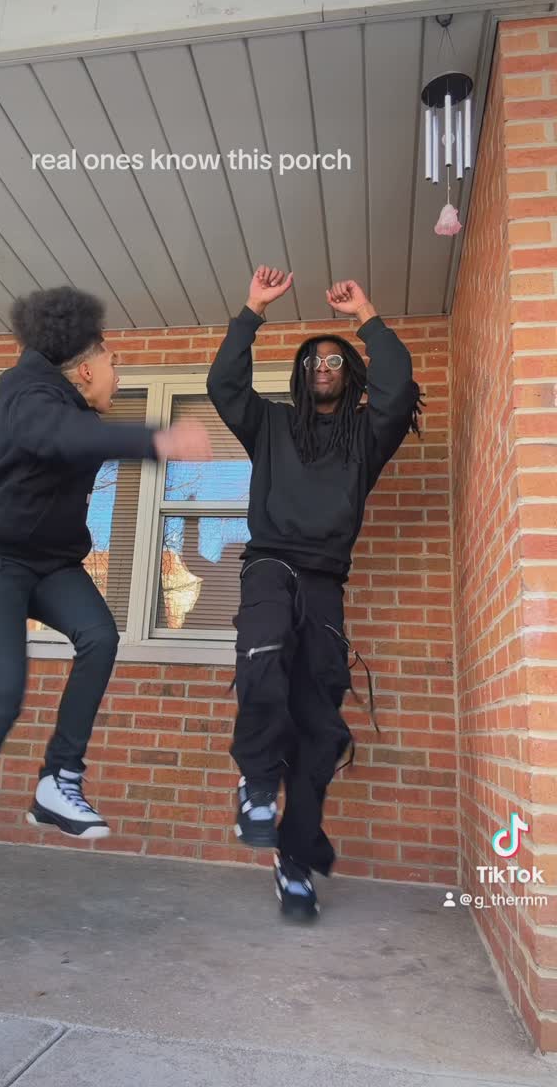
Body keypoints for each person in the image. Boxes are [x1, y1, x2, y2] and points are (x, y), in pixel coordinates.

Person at [0, 286, 211, 965]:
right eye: (114, 363)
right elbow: (58, 435)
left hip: (52, 567)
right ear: (83, 367)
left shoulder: (74, 408)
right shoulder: (26, 392)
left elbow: (76, 435)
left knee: (100, 636)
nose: (119, 375)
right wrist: (155, 438)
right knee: (3, 696)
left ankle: (59, 781)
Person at [207, 266, 422, 921]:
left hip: (325, 582)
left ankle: (295, 861)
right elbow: (224, 386)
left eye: (333, 361)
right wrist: (252, 310)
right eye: (312, 361)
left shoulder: (365, 435)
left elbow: (398, 386)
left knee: (320, 732)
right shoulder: (270, 424)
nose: (322, 367)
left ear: (348, 374)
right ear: (300, 376)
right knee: (263, 653)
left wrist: (366, 315)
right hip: (270, 564)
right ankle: (255, 784)